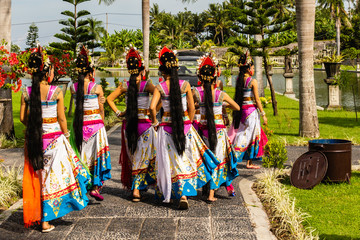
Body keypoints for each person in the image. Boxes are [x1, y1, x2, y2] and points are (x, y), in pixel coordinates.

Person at [21, 46, 89, 232]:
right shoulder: (56, 92)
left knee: (38, 178)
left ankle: (39, 216)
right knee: (52, 179)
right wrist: (66, 135)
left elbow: (22, 118)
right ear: (47, 72)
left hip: (34, 140)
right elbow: (61, 119)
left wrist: (35, 128)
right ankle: (46, 219)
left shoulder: (26, 92)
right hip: (54, 141)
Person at [149, 46, 219, 210]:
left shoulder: (160, 87)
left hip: (166, 129)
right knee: (186, 159)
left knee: (170, 162)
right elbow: (192, 107)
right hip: (186, 127)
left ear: (162, 71)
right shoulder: (185, 85)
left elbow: (153, 108)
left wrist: (155, 122)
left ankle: (173, 193)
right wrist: (189, 121)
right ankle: (184, 194)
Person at [107, 47, 156, 202]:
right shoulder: (147, 84)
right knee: (145, 158)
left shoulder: (124, 85)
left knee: (134, 157)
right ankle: (137, 189)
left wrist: (119, 113)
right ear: (142, 69)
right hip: (145, 125)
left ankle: (136, 188)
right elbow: (159, 94)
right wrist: (152, 109)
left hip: (129, 125)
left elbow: (109, 99)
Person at [193, 55, 240, 202]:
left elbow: (192, 107)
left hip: (203, 132)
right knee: (218, 160)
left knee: (206, 161)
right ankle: (212, 194)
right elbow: (237, 107)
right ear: (215, 78)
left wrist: (199, 106)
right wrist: (222, 105)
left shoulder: (197, 93)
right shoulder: (221, 95)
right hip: (219, 132)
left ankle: (204, 189)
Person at [70, 47, 111, 201]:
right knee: (96, 157)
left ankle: (81, 187)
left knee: (81, 156)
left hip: (79, 126)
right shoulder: (97, 88)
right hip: (96, 127)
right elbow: (101, 110)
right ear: (90, 71)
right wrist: (102, 124)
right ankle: (95, 188)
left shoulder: (72, 88)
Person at [228, 52, 268, 169]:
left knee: (244, 133)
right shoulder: (252, 81)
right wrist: (263, 114)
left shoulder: (238, 79)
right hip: (251, 112)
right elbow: (257, 100)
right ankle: (235, 157)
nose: (254, 69)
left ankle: (247, 162)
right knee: (250, 136)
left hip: (242, 111)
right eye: (253, 67)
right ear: (249, 68)